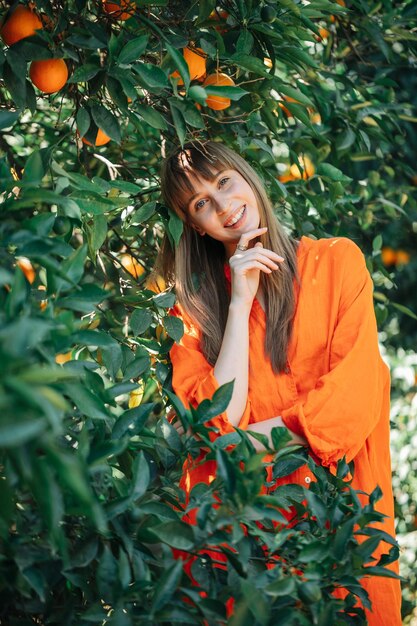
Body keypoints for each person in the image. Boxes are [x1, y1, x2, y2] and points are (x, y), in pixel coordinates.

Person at [156, 140, 402, 625]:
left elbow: (350, 405)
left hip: (338, 524)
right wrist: (239, 301)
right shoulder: (193, 313)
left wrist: (239, 444)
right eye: (201, 203)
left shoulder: (337, 263)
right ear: (193, 225)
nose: (224, 207)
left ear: (247, 177)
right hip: (238, 540)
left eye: (224, 182)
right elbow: (212, 423)